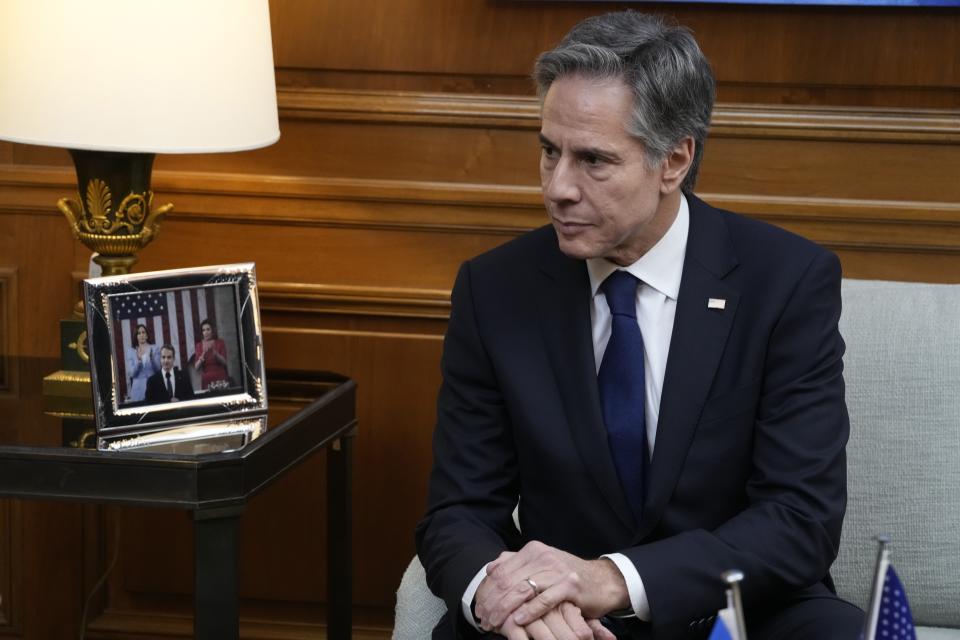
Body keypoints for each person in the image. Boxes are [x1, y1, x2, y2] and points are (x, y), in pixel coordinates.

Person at [415, 11, 862, 640]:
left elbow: (800, 518)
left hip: (741, 609)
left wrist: (613, 578)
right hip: (560, 619)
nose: (558, 188)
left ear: (673, 160)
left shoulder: (785, 281)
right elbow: (459, 510)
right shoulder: (495, 290)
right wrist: (507, 597)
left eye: (593, 159)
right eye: (549, 152)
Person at [125, 323, 160, 403]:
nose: (142, 335)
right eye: (139, 333)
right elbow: (132, 374)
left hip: (154, 387)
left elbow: (158, 370)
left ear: (147, 335)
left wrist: (152, 359)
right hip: (138, 391)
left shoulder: (155, 348)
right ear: (136, 336)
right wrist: (139, 361)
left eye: (143, 332)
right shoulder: (131, 351)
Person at [193, 318, 229, 389]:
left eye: (208, 329)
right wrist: (201, 357)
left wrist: (215, 353)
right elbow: (196, 367)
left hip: (220, 377)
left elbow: (225, 363)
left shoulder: (220, 342)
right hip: (206, 379)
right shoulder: (199, 345)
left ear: (212, 330)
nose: (206, 332)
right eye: (203, 330)